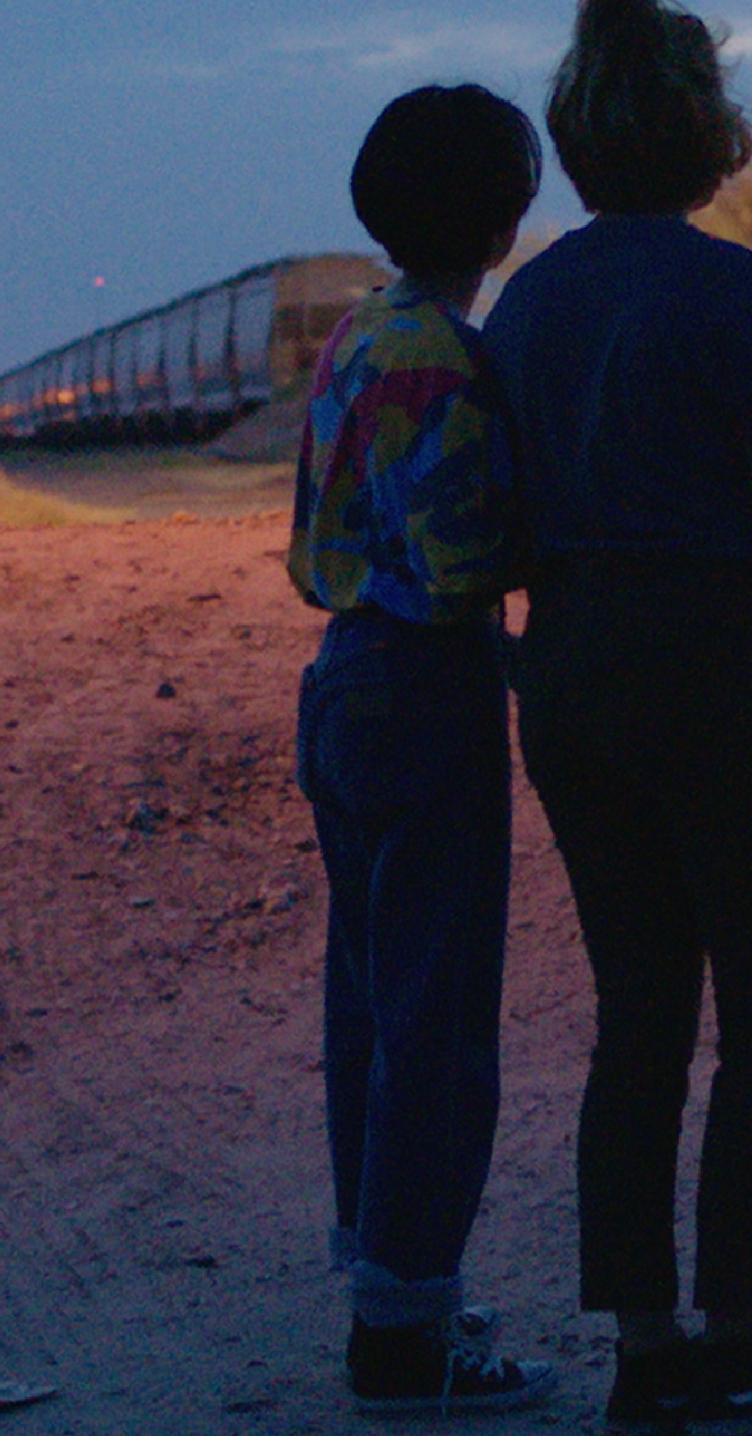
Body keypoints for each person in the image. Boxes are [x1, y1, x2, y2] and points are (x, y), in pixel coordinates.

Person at [483, 0, 752, 1432]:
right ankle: (742, 1330)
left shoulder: (529, 307)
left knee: (637, 1010)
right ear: (710, 135)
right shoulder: (736, 294)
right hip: (720, 667)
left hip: (573, 668)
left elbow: (502, 516)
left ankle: (644, 1346)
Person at [284, 82, 557, 1418]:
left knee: (371, 1006)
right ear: (507, 216)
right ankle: (408, 1330)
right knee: (440, 1019)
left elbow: (318, 529)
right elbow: (458, 562)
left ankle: (387, 1281)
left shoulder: (352, 339)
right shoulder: (454, 360)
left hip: (339, 678)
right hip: (429, 686)